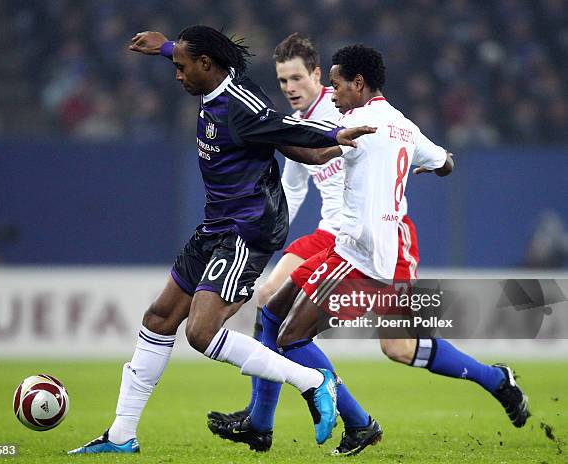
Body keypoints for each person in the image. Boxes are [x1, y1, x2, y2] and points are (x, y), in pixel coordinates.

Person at [67, 26, 377, 455]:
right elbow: (194, 56)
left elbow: (285, 127)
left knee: (201, 331)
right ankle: (121, 436)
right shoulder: (210, 78)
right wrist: (166, 48)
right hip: (216, 224)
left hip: (247, 229)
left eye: (181, 67)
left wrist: (331, 137)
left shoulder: (241, 107)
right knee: (159, 319)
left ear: (206, 66)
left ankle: (312, 381)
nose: (178, 75)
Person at [209, 44, 530, 457]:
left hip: (368, 253)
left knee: (296, 337)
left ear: (358, 84)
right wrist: (434, 163)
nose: (333, 91)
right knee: (281, 311)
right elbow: (445, 163)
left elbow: (318, 152)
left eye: (337, 85)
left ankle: (357, 422)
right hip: (361, 243)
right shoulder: (402, 123)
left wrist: (259, 134)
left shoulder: (358, 123)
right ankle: (495, 380)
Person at [207, 33, 378, 455]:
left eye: (297, 78)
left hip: (346, 238)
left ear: (318, 75)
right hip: (323, 233)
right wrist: (266, 240)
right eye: (283, 81)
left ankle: (268, 420)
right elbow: (293, 189)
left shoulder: (336, 114)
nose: (289, 88)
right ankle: (261, 421)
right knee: (270, 309)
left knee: (272, 307)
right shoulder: (299, 124)